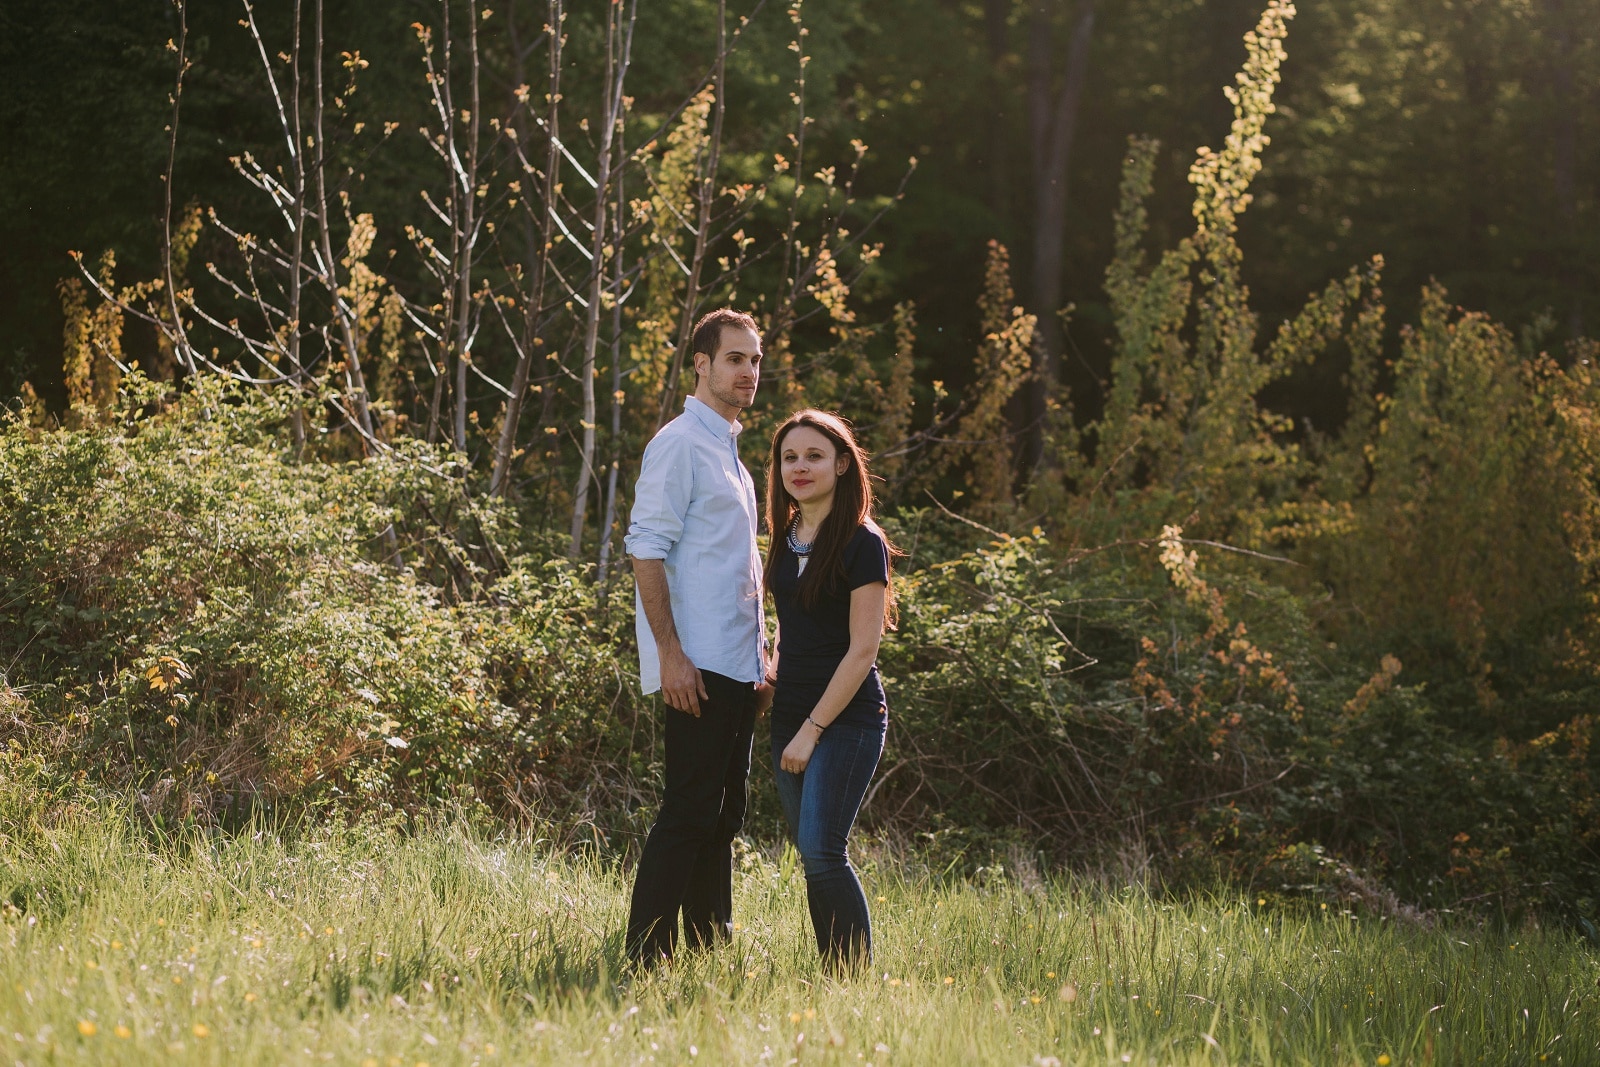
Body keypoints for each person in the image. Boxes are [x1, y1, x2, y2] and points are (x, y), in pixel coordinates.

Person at [622, 308, 772, 967]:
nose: (748, 371)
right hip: (697, 663)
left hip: (738, 666)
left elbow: (735, 568)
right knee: (688, 811)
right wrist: (670, 655)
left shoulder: (732, 457)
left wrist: (761, 657)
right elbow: (645, 550)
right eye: (735, 358)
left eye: (756, 360)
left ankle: (709, 949)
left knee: (724, 815)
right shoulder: (680, 443)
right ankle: (646, 958)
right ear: (702, 365)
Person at [762, 409, 897, 970]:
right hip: (788, 713)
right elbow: (789, 629)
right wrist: (765, 685)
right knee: (812, 853)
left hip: (844, 720)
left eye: (814, 456)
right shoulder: (785, 536)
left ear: (842, 465)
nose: (800, 467)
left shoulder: (861, 542)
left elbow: (863, 648)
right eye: (790, 457)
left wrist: (811, 732)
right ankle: (835, 973)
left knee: (822, 850)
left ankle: (853, 978)